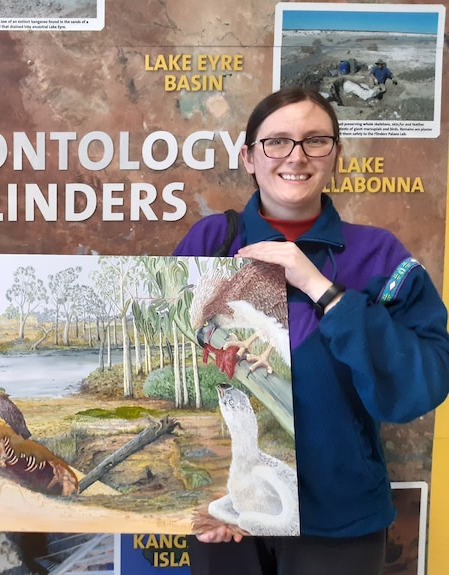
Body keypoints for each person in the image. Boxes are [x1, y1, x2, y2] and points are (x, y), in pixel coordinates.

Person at [174, 87, 449, 574]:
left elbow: (419, 386)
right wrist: (207, 498)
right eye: (277, 141)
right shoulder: (213, 241)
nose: (296, 157)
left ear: (335, 156)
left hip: (340, 523)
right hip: (233, 517)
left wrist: (323, 289)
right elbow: (186, 370)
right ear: (249, 157)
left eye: (315, 141)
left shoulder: (379, 256)